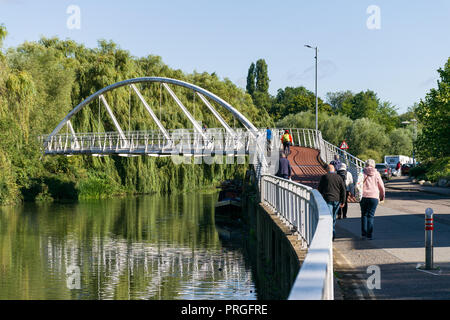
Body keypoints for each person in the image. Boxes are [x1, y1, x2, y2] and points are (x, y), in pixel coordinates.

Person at [318, 164, 346, 241]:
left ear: (327, 170)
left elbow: (320, 189)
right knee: (333, 218)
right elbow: (343, 190)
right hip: (337, 200)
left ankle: (330, 234)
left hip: (328, 199)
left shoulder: (324, 177)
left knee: (329, 218)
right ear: (334, 170)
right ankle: (332, 234)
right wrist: (343, 201)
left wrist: (320, 199)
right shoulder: (339, 177)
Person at [359, 159, 385, 240]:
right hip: (374, 197)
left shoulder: (362, 172)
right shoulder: (376, 174)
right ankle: (369, 235)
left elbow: (358, 183)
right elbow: (382, 187)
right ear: (374, 165)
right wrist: (382, 196)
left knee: (364, 215)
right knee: (371, 216)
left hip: (363, 196)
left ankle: (363, 234)